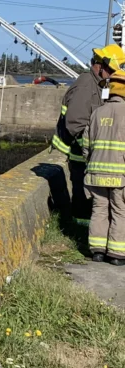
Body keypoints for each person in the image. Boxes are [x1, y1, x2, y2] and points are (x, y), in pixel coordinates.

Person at [52, 44, 125, 224]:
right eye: (112, 71)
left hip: (91, 157)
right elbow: (76, 124)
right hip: (80, 156)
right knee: (84, 200)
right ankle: (82, 235)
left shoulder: (98, 86)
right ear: (101, 66)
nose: (113, 75)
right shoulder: (86, 85)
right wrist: (92, 148)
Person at [83, 69, 125, 266]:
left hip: (96, 174)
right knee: (120, 211)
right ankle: (117, 254)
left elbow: (86, 145)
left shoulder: (97, 113)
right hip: (120, 174)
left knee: (99, 209)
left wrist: (90, 164)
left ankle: (97, 251)